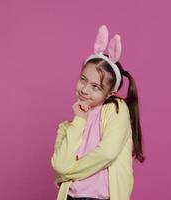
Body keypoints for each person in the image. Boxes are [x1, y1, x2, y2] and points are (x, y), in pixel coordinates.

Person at [51, 25, 145, 200]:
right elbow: (59, 166)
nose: (85, 89)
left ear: (110, 93)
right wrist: (79, 119)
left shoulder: (116, 109)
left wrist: (68, 174)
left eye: (95, 87)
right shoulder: (68, 126)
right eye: (83, 80)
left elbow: (107, 153)